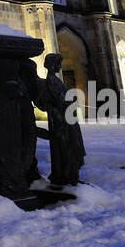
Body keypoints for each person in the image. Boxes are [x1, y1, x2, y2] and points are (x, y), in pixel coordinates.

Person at [33, 52, 86, 187]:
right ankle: (65, 174)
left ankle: (68, 174)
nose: (60, 67)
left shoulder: (54, 79)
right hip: (62, 119)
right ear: (53, 64)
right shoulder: (51, 80)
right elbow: (59, 101)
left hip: (66, 117)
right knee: (67, 146)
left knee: (70, 145)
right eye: (58, 64)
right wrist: (70, 100)